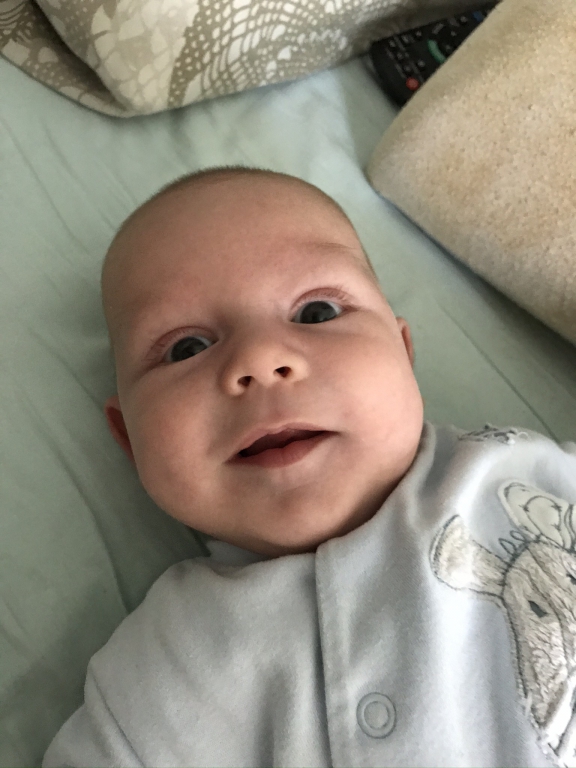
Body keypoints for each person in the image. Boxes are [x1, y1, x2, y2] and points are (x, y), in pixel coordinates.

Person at [43, 167, 576, 768]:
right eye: (186, 348)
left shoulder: (524, 474)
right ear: (129, 438)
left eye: (317, 312)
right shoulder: (160, 670)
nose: (259, 359)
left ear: (402, 352)